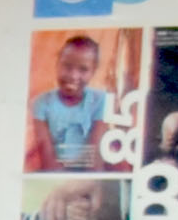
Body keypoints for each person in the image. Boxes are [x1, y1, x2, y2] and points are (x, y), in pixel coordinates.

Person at [26, 31, 113, 169]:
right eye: (67, 66)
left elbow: (96, 153)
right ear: (57, 64)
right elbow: (46, 154)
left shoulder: (101, 100)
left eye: (83, 69)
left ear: (93, 71)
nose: (73, 76)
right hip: (56, 174)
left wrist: (85, 185)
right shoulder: (41, 103)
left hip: (90, 174)